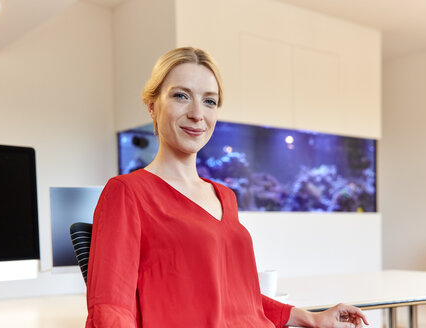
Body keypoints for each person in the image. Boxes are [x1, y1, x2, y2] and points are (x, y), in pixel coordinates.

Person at [85, 47, 369, 328]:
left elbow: (235, 298)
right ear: (152, 105)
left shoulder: (225, 197)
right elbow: (110, 309)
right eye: (181, 96)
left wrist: (312, 318)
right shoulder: (127, 193)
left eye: (209, 101)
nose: (197, 114)